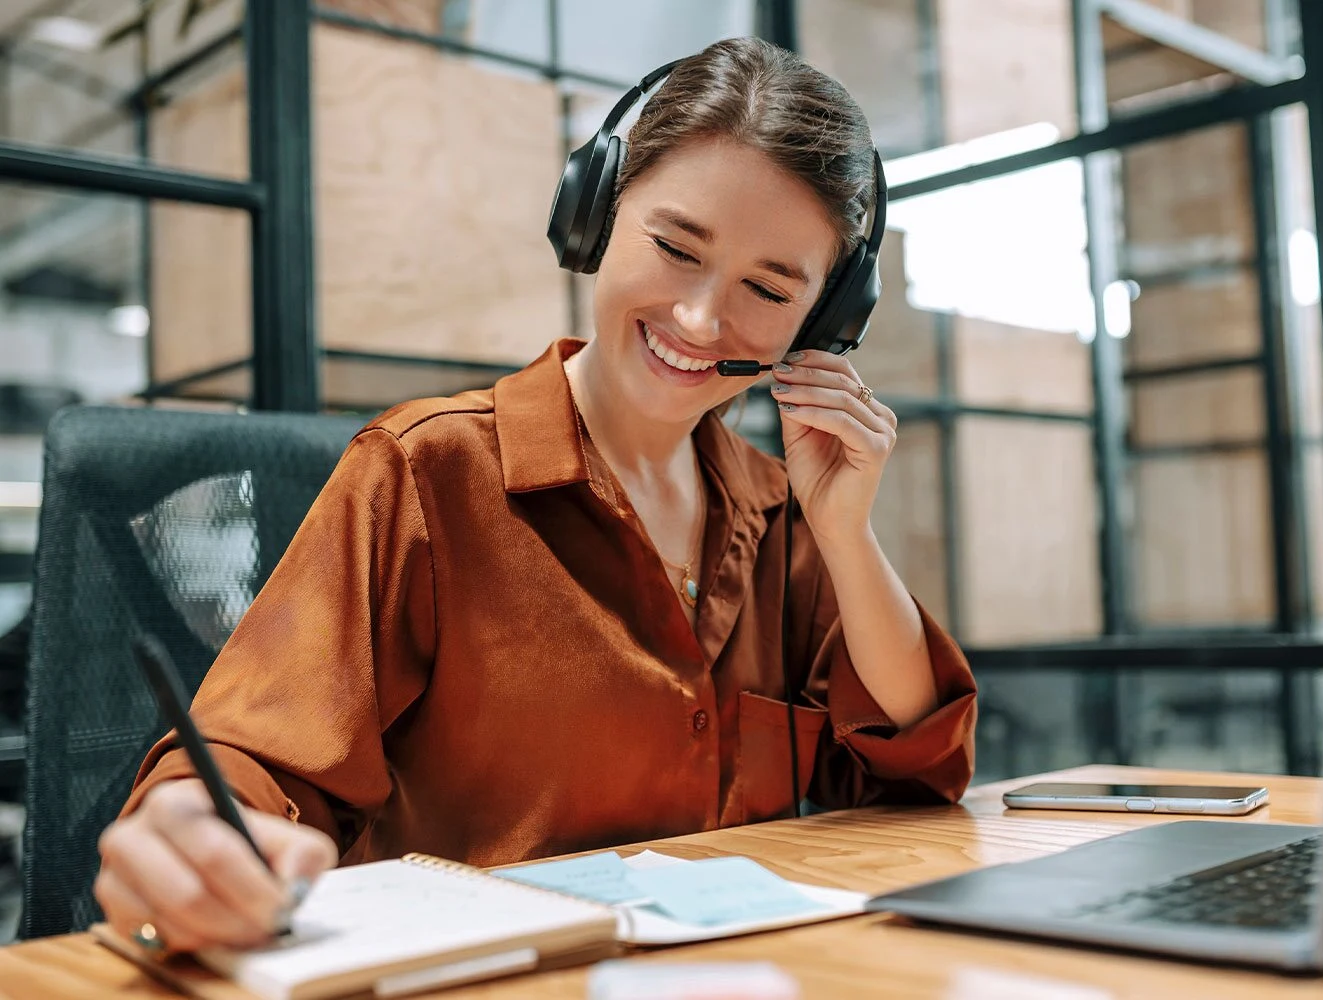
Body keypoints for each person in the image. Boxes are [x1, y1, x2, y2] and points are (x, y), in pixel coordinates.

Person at [94, 37, 977, 955]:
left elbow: (916, 768)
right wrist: (193, 832)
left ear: (824, 324)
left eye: (767, 287)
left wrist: (847, 532)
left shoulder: (779, 507)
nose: (703, 321)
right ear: (594, 217)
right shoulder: (427, 471)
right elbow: (254, 759)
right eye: (677, 248)